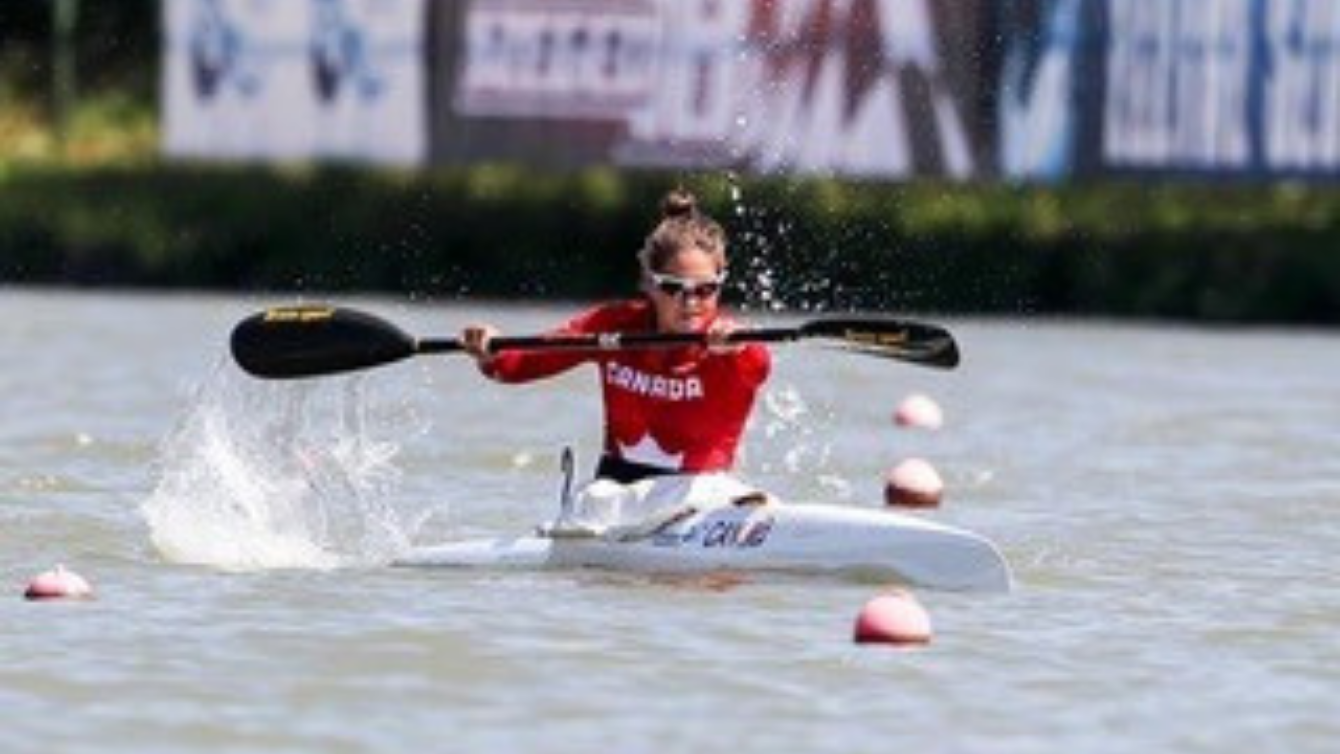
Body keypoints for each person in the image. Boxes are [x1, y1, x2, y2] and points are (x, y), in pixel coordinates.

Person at [461, 188, 771, 533]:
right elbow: (525, 362)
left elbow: (759, 366)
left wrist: (736, 349)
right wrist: (492, 351)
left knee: (731, 497)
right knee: (597, 499)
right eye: (673, 288)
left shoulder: (733, 341)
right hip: (615, 496)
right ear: (650, 285)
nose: (691, 301)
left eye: (705, 289)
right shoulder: (613, 327)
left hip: (698, 493)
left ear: (720, 284)